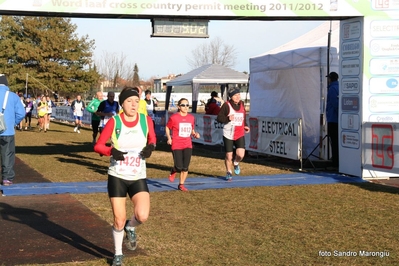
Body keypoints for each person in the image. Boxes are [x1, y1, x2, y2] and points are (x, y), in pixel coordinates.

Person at [94, 87, 156, 266]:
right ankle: (118, 254)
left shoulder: (146, 120)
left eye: (136, 101)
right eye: (130, 101)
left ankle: (131, 226)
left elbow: (152, 139)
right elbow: (98, 146)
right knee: (118, 219)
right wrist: (111, 151)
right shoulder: (114, 122)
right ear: (122, 104)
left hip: (137, 176)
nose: (134, 105)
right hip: (118, 176)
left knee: (142, 215)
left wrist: (150, 147)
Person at [166, 98, 200, 191]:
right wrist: (169, 138)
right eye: (183, 105)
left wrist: (195, 134)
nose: (185, 107)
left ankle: (181, 184)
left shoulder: (191, 118)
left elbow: (192, 130)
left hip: (187, 144)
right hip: (176, 144)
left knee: (185, 167)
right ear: (179, 106)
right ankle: (173, 171)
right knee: (179, 166)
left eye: (187, 105)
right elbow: (167, 127)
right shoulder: (174, 117)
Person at [216, 87, 250, 181]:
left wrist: (245, 125)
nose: (238, 97)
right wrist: (228, 119)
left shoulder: (242, 103)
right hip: (228, 134)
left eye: (239, 94)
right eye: (235, 95)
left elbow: (243, 117)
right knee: (229, 155)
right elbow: (219, 118)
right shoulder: (226, 105)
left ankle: (236, 163)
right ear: (231, 97)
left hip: (239, 133)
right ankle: (229, 172)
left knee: (241, 155)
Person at [0, 75, 25, 186]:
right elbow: (21, 113)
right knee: (7, 155)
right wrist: (13, 123)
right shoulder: (13, 96)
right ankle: (7, 178)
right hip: (7, 131)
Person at [326, 71, 339, 168]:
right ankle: (336, 160)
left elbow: (335, 104)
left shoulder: (332, 89)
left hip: (333, 119)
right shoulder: (339, 87)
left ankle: (335, 161)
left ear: (330, 79)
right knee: (337, 142)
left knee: (334, 142)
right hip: (337, 119)